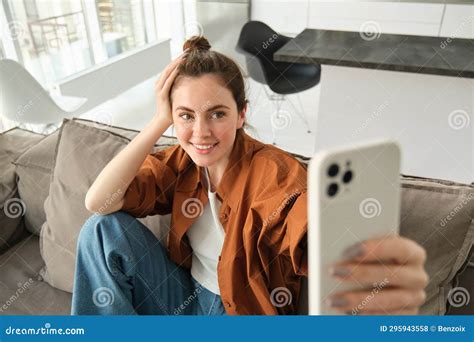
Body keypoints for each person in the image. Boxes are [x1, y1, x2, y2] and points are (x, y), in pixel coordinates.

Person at [71, 36, 428, 315]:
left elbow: (306, 230)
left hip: (240, 315)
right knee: (100, 230)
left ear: (242, 114)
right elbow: (98, 202)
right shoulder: (181, 161)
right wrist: (159, 121)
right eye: (186, 115)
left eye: (217, 114)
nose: (201, 133)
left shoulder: (272, 172)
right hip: (182, 298)